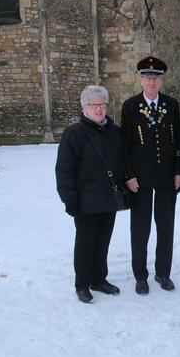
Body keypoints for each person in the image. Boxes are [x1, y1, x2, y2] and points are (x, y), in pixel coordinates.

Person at [121, 56, 180, 295]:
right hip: (141, 178)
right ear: (140, 79)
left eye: (156, 77)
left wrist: (179, 171)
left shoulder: (171, 104)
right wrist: (129, 174)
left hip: (167, 176)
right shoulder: (130, 106)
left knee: (165, 226)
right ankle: (140, 275)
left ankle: (163, 273)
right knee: (140, 228)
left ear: (161, 80)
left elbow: (178, 141)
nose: (152, 81)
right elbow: (125, 145)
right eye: (147, 77)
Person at [55, 85, 124, 304]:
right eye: (93, 105)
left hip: (108, 197)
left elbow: (121, 162)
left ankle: (99, 279)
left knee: (103, 241)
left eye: (102, 104)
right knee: (86, 243)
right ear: (84, 108)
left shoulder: (114, 132)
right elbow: (64, 170)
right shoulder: (74, 133)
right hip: (85, 200)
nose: (98, 109)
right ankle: (82, 284)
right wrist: (69, 199)